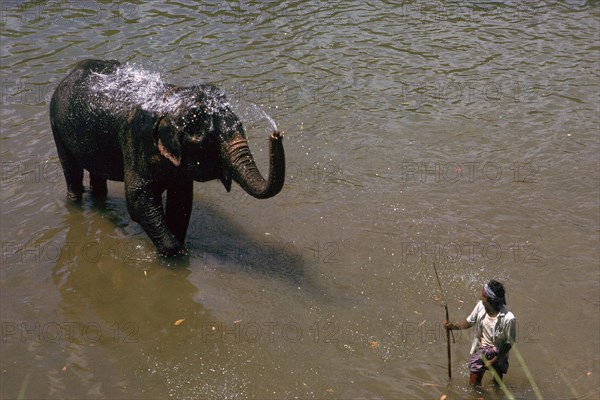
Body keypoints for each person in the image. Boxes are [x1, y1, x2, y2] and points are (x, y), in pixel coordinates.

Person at [444, 280, 516, 386]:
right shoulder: (480, 306)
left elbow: (509, 343)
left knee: (497, 386)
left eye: (483, 295)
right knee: (473, 385)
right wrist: (453, 327)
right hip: (481, 349)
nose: (481, 297)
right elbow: (469, 322)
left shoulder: (508, 318)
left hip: (498, 353)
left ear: (491, 299)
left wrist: (494, 360)